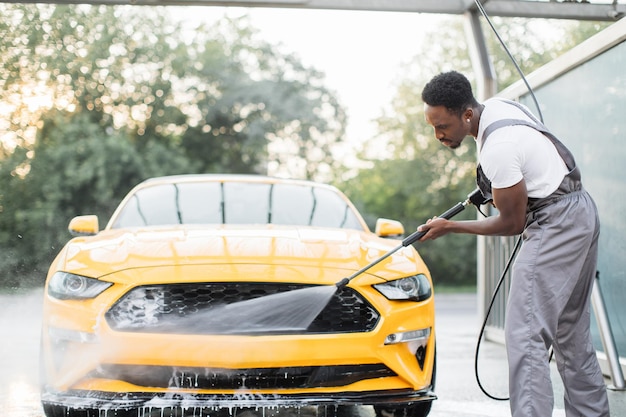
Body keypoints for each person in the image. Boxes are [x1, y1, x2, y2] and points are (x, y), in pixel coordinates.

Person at [417, 70, 610, 417]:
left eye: (442, 125)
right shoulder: (500, 107)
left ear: (466, 115)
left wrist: (451, 227)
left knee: (524, 334)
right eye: (432, 126)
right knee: (570, 332)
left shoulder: (498, 149)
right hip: (581, 212)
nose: (438, 135)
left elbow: (512, 223)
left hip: (557, 224)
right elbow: (531, 163)